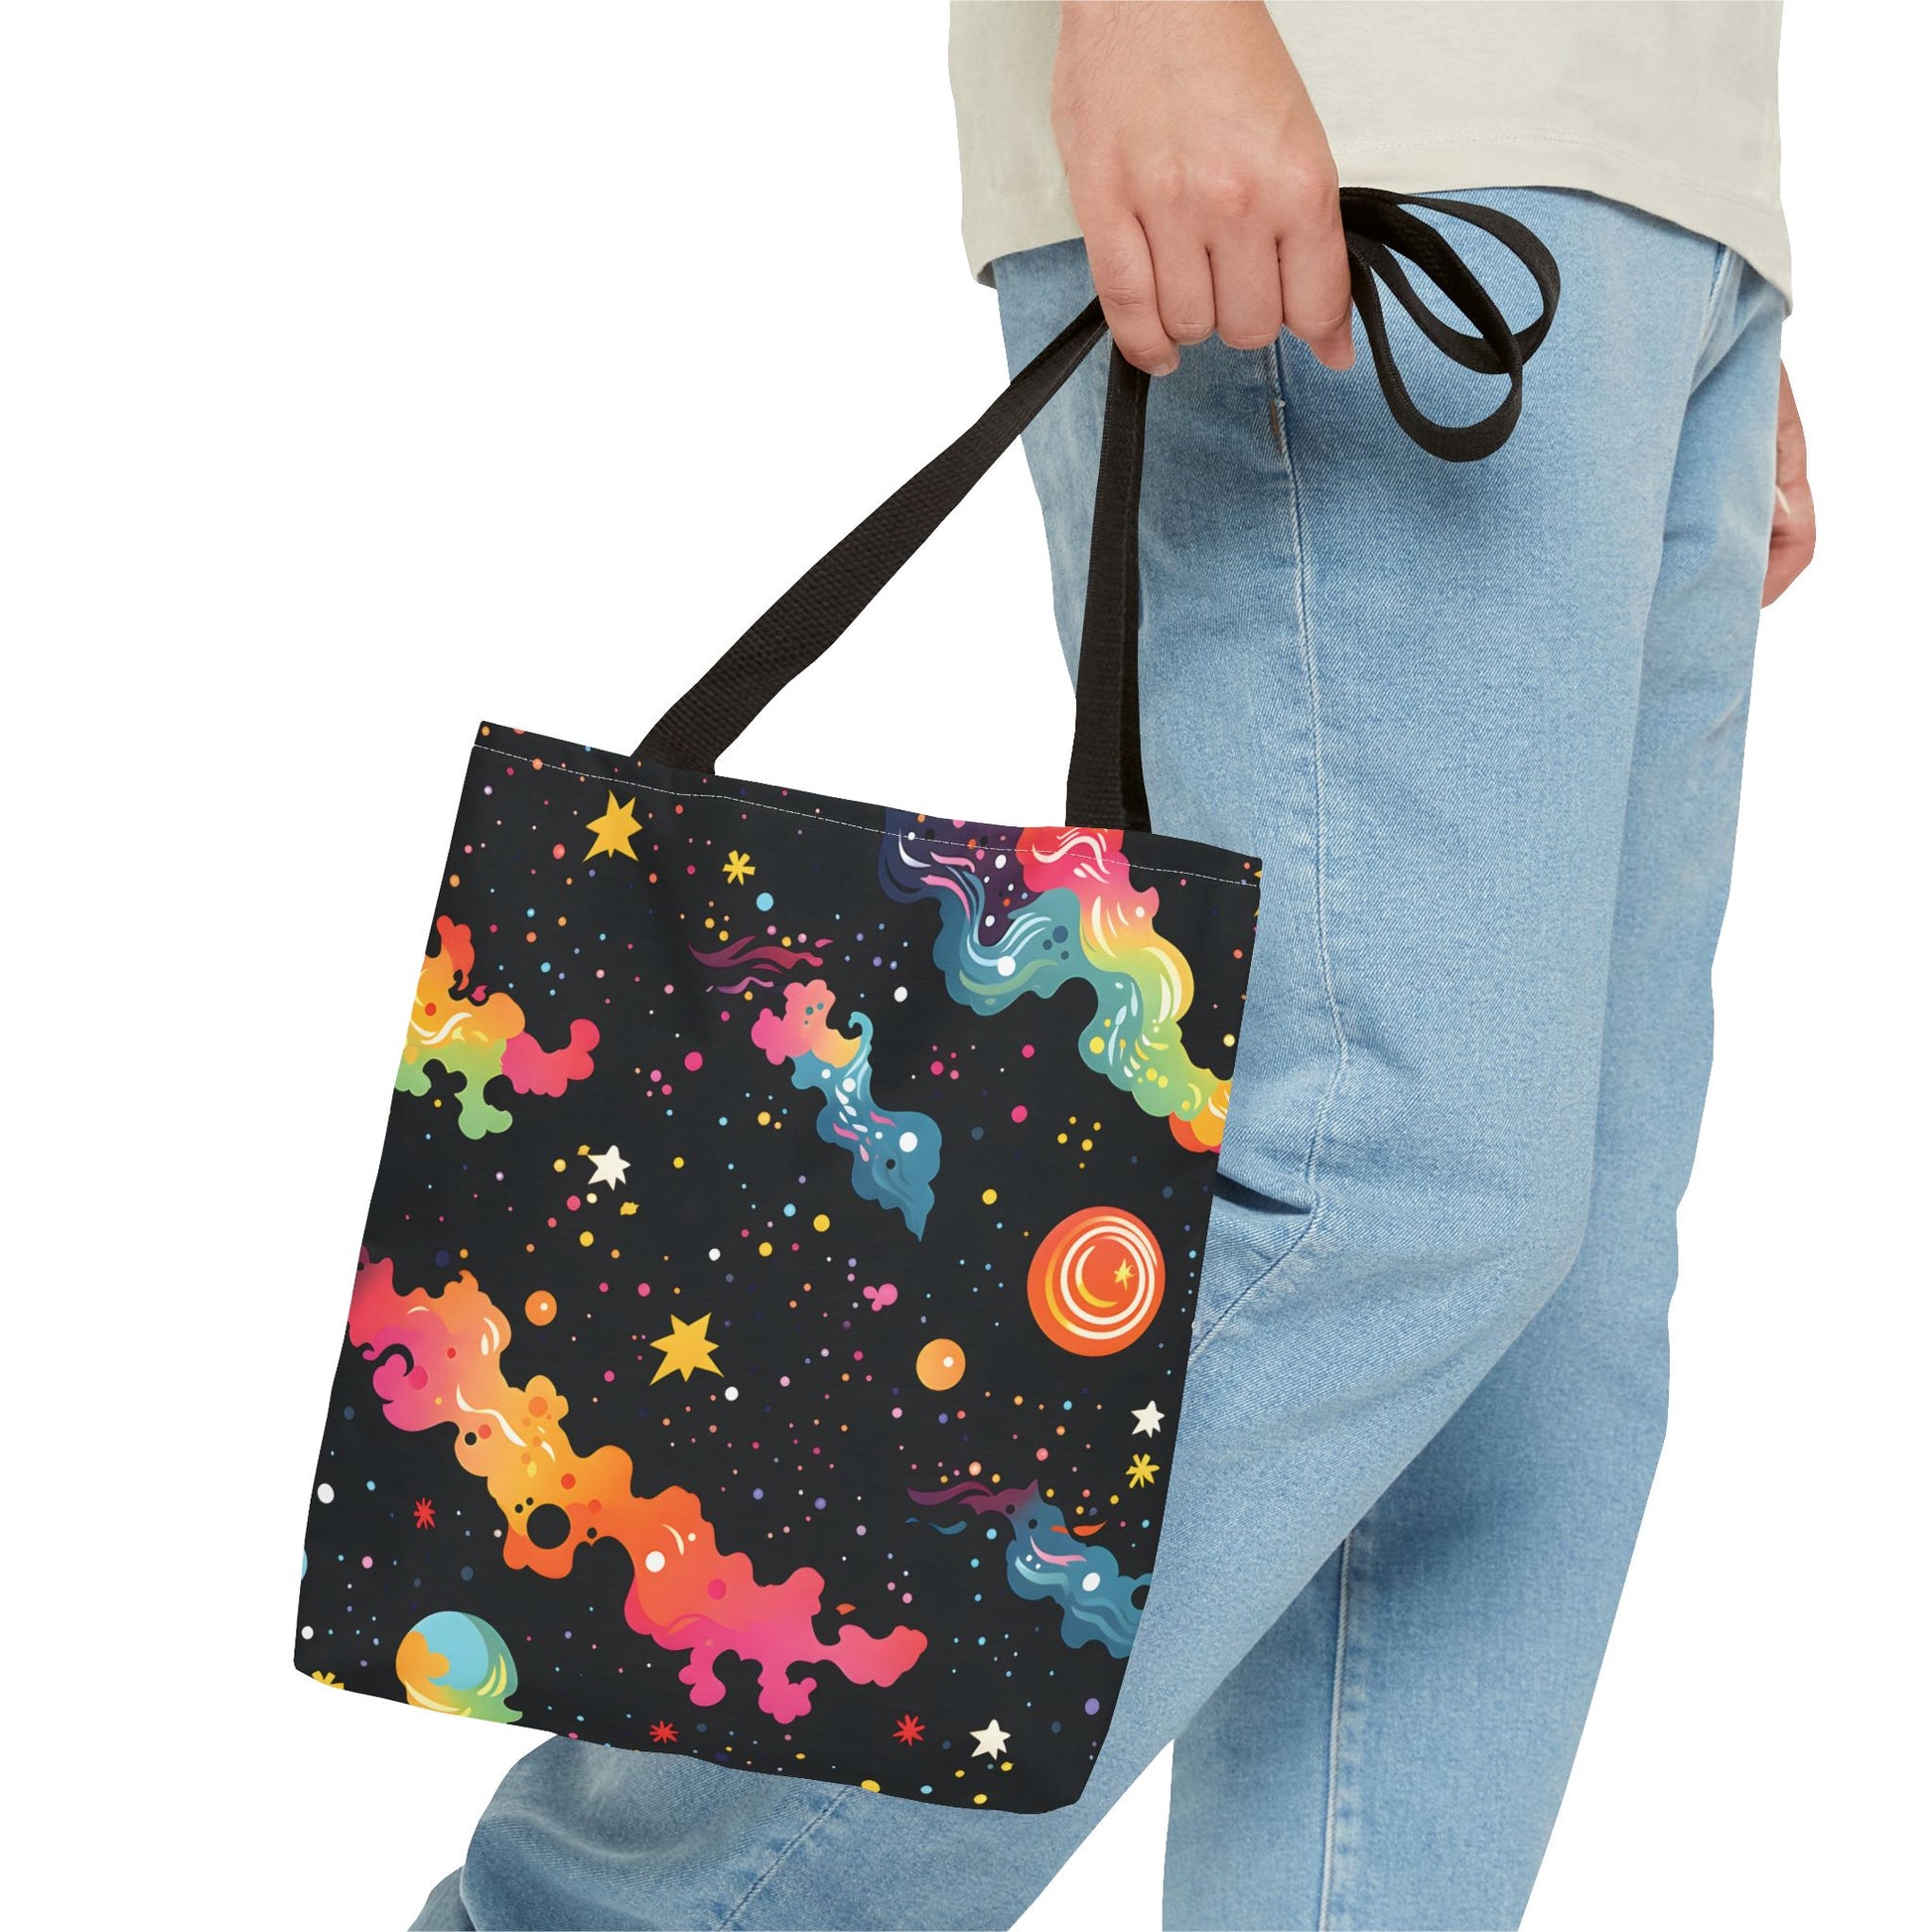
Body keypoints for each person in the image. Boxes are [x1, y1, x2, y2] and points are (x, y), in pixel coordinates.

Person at [413, 4, 1813, 1926]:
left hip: (1639, 191)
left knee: (1532, 1350)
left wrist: (1697, 234)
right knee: (1377, 1189)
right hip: (1361, 115)